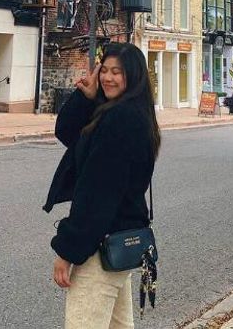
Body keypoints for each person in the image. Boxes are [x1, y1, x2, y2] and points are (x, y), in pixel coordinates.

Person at [44, 42, 161, 329]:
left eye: (116, 72)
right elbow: (70, 134)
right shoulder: (127, 113)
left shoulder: (119, 120)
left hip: (101, 245)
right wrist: (87, 97)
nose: (108, 77)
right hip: (120, 237)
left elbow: (97, 195)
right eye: (104, 71)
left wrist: (67, 252)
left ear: (132, 76)